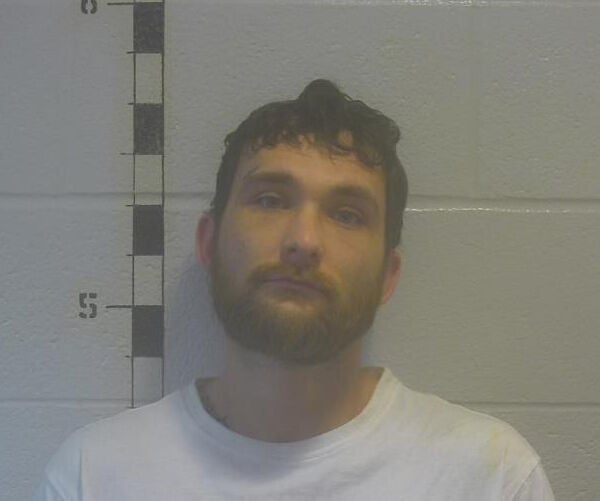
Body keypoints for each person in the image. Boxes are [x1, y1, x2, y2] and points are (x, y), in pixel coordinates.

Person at [35, 79, 555, 500]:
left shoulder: (491, 478)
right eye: (270, 200)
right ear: (209, 244)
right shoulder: (93, 477)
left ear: (388, 276)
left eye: (347, 214)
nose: (304, 241)